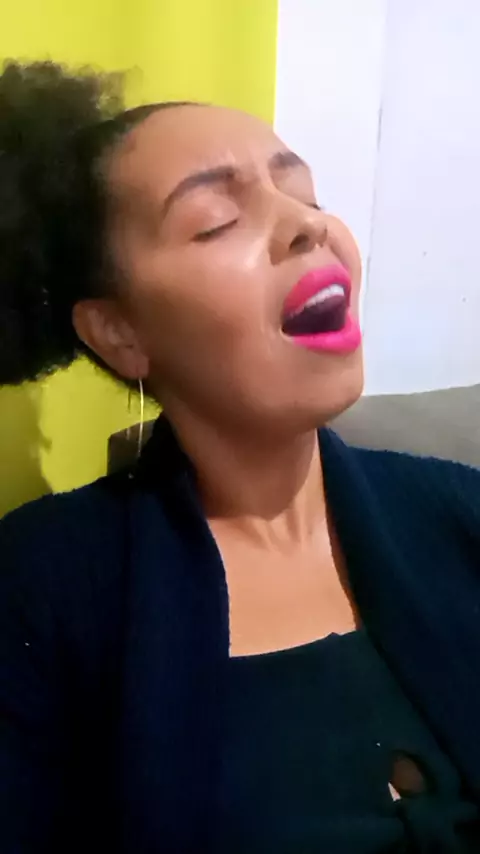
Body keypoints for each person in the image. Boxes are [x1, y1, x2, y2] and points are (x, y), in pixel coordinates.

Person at [0, 60, 479, 854]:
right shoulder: (41, 592)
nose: (307, 226)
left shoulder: (462, 511)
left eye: (306, 195)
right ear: (119, 333)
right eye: (216, 221)